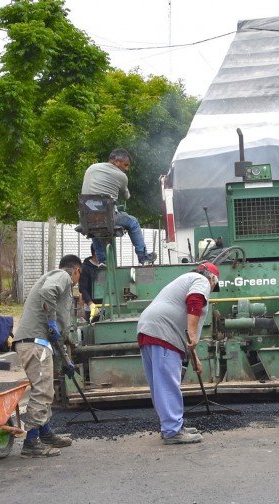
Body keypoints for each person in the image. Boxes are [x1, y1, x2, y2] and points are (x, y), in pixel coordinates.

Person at [136, 262, 220, 445]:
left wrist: (195, 358)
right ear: (212, 278)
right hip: (164, 332)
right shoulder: (201, 280)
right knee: (167, 383)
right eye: (214, 286)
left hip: (149, 329)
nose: (211, 289)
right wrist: (191, 333)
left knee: (160, 384)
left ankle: (171, 425)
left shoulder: (183, 280)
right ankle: (173, 431)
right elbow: (195, 300)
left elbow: (187, 331)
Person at [13, 254, 82, 458]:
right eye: (79, 275)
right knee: (42, 391)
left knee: (46, 389)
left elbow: (56, 335)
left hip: (37, 343)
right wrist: (51, 321)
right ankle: (31, 442)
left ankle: (45, 433)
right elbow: (47, 292)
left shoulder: (58, 278)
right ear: (76, 270)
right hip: (34, 343)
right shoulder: (62, 276)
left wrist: (66, 361)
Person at [81, 148, 155, 265]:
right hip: (108, 216)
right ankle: (143, 257)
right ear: (116, 161)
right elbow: (126, 196)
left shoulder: (91, 168)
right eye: (125, 165)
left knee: (94, 227)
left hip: (86, 217)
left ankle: (102, 261)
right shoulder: (121, 176)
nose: (127, 169)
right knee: (133, 222)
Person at [79, 244, 99, 323]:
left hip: (107, 305)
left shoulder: (107, 265)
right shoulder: (85, 268)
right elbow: (82, 288)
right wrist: (90, 304)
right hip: (92, 307)